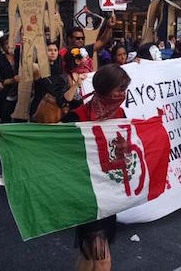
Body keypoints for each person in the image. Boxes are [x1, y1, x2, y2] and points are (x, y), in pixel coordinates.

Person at [61, 64, 131, 271]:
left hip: (108, 194)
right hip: (86, 194)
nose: (123, 95)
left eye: (125, 89)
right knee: (102, 258)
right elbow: (53, 147)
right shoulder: (77, 117)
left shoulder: (120, 114)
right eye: (119, 89)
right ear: (105, 88)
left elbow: (124, 150)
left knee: (89, 255)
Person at [0, 35, 20, 123]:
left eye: (11, 43)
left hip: (20, 94)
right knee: (6, 117)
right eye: (6, 44)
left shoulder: (19, 56)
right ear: (2, 46)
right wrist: (12, 80)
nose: (9, 45)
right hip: (6, 95)